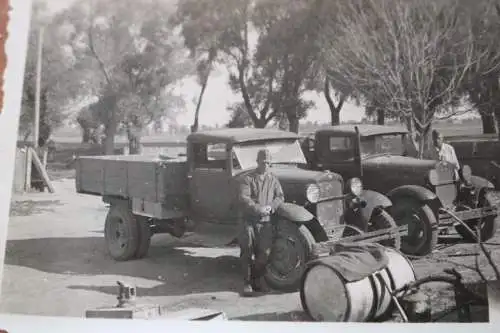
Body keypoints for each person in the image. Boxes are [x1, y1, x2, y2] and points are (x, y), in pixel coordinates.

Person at [238, 148, 285, 297]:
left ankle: (258, 281)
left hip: (266, 222)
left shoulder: (273, 179)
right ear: (257, 162)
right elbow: (244, 198)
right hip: (249, 221)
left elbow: (280, 196)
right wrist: (259, 209)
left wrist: (271, 207)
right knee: (247, 251)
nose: (265, 164)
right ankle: (246, 283)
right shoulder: (247, 179)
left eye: (268, 162)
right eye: (263, 161)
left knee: (264, 253)